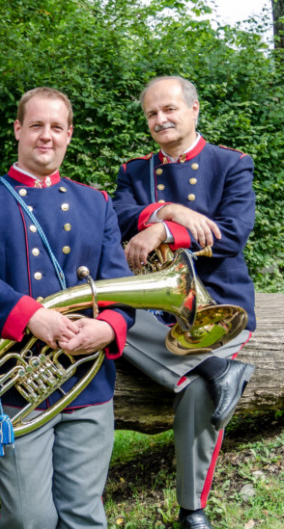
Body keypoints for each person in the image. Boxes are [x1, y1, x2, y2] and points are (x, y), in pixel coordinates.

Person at [0, 87, 135, 529]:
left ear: (69, 134)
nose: (46, 136)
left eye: (57, 127)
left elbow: (118, 286)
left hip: (85, 380)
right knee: (29, 517)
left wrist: (109, 329)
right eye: (36, 125)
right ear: (18, 129)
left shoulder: (95, 201)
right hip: (14, 387)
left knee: (84, 515)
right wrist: (30, 315)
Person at [112, 75, 256, 529]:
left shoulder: (231, 163)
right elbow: (116, 217)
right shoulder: (134, 170)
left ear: (194, 110)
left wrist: (161, 231)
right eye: (152, 113)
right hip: (154, 307)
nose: (161, 119)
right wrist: (169, 211)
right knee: (105, 313)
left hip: (217, 302)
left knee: (195, 390)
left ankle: (192, 509)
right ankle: (220, 369)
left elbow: (230, 234)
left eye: (170, 109)